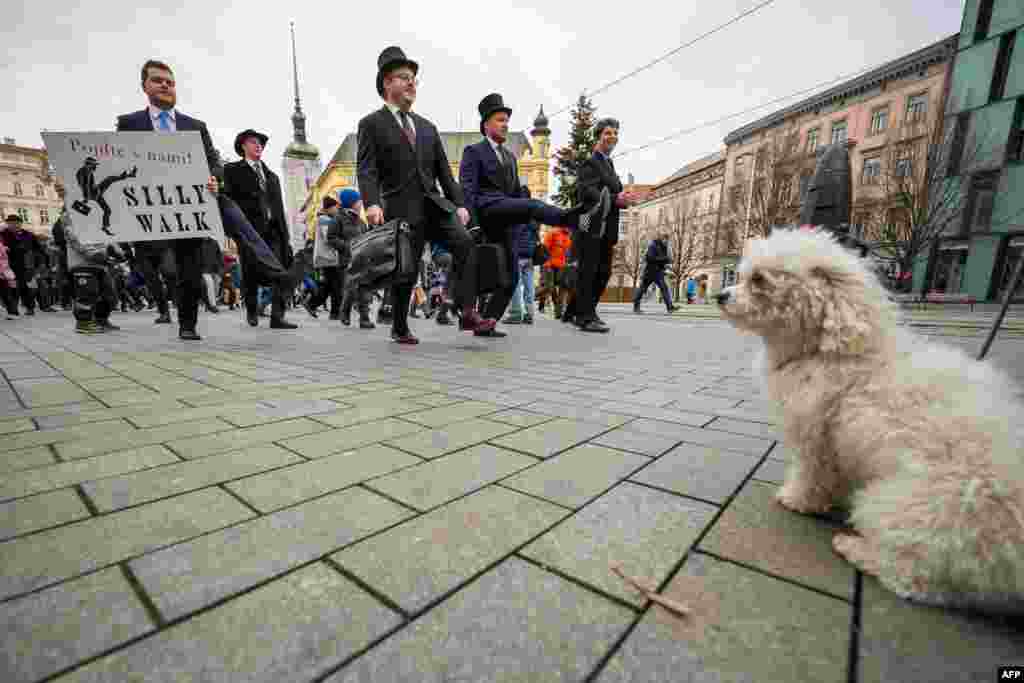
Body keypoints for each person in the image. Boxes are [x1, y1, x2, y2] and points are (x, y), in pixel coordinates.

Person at [356, 46, 491, 344]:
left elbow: (444, 172)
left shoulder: (428, 128)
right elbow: (366, 169)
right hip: (401, 208)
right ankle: (400, 325)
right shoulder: (371, 124)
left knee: (466, 243)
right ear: (387, 83)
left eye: (414, 78)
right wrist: (372, 203)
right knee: (406, 269)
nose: (411, 83)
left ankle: (466, 309)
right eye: (404, 77)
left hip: (434, 205)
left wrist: (459, 204)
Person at [460, 93, 609, 336]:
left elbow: (516, 191)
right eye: (500, 119)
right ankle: (578, 218)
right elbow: (466, 188)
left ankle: (487, 323)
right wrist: (473, 223)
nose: (505, 124)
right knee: (531, 205)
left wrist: (524, 215)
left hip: (505, 220)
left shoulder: (509, 157)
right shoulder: (473, 151)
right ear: (486, 124)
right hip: (486, 210)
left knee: (512, 277)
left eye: (507, 120)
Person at [116, 59, 223, 341]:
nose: (165, 84)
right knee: (164, 270)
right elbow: (115, 162)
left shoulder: (195, 125)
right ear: (145, 86)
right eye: (158, 80)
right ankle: (163, 308)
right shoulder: (129, 124)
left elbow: (213, 160)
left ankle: (188, 324)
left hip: (188, 209)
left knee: (190, 269)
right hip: (150, 213)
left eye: (170, 81)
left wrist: (214, 177)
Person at [570, 118, 644, 332]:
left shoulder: (609, 164)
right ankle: (585, 316)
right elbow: (587, 193)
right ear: (598, 136)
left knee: (602, 272)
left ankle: (583, 312)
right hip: (592, 227)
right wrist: (615, 197)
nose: (612, 137)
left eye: (615, 133)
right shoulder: (590, 163)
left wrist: (624, 198)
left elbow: (613, 195)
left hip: (607, 229)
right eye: (607, 133)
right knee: (590, 271)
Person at [223, 129, 298, 330]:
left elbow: (279, 209)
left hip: (274, 231)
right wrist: (233, 231)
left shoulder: (272, 177)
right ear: (243, 146)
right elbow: (227, 200)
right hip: (249, 231)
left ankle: (277, 316)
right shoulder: (232, 170)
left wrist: (286, 237)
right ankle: (251, 308)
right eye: (253, 142)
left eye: (261, 143)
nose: (258, 146)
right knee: (250, 272)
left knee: (280, 271)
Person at [336, 190, 375, 329]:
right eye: (358, 201)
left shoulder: (361, 220)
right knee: (352, 288)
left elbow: (367, 237)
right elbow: (331, 238)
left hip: (362, 259)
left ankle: (364, 319)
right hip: (347, 259)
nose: (361, 204)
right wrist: (348, 247)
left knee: (364, 288)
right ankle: (345, 312)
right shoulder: (338, 218)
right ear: (351, 202)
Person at [1, 214, 49, 316]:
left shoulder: (28, 234)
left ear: (20, 223)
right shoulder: (2, 234)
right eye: (11, 223)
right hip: (8, 266)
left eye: (16, 223)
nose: (14, 225)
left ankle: (29, 307)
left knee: (26, 288)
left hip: (25, 265)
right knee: (11, 288)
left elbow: (38, 248)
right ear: (8, 224)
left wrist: (43, 261)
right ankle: (13, 310)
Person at [503, 216, 540, 324]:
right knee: (529, 287)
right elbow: (536, 239)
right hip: (529, 257)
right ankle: (529, 314)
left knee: (515, 285)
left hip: (517, 255)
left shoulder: (517, 219)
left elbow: (511, 237)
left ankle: (516, 314)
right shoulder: (534, 222)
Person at [633, 233, 678, 314]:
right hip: (649, 271)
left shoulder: (664, 247)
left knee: (664, 288)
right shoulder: (653, 245)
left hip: (658, 272)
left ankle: (670, 307)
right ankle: (636, 307)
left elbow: (663, 260)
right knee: (642, 289)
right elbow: (649, 258)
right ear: (662, 238)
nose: (666, 242)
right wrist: (664, 260)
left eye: (667, 241)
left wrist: (667, 267)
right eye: (665, 240)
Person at [536, 225, 571, 318]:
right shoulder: (553, 232)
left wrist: (567, 263)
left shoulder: (568, 236)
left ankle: (558, 313)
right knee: (550, 287)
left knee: (562, 288)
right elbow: (544, 249)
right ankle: (534, 296)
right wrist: (545, 263)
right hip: (549, 265)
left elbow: (566, 252)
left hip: (561, 266)